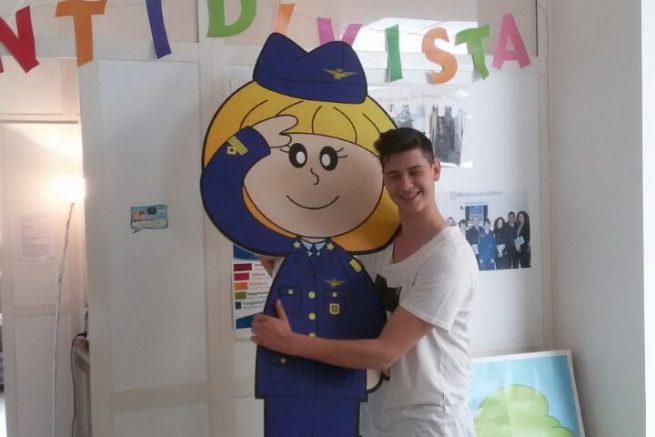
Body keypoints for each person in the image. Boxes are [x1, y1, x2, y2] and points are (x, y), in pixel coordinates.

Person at [200, 33, 399, 437]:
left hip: (341, 382)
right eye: (295, 155)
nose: (312, 175)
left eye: (330, 159)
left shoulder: (353, 265)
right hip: (285, 379)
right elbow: (222, 197)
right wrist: (255, 140)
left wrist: (372, 370)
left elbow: (368, 313)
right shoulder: (279, 247)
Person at [252, 127, 479, 436]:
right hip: (377, 416)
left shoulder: (449, 259)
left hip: (430, 424)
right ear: (384, 179)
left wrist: (291, 343)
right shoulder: (379, 247)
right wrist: (271, 251)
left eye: (415, 172)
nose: (406, 185)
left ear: (435, 171)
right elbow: (336, 294)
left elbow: (386, 352)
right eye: (394, 175)